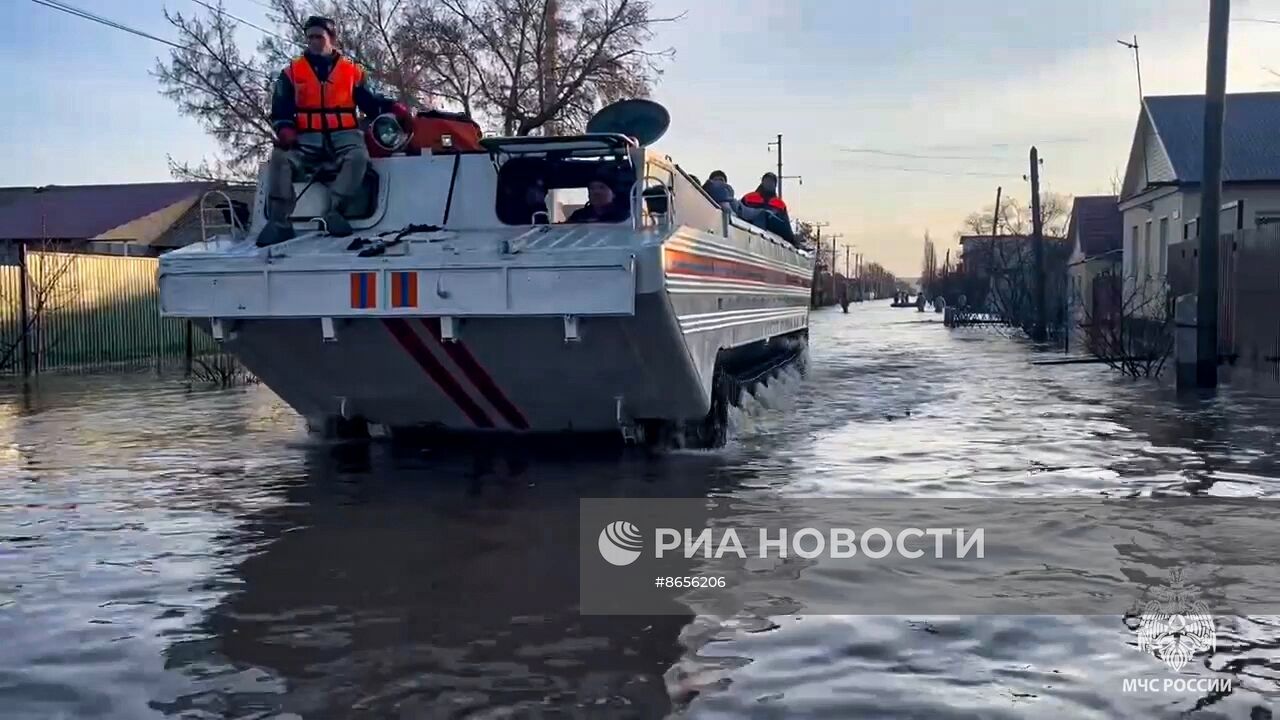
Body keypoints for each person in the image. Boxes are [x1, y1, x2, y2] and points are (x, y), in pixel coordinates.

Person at [255, 16, 414, 247]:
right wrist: (285, 128)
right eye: (310, 37)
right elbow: (280, 108)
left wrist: (393, 107)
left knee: (358, 157)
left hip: (344, 136)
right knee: (280, 158)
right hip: (306, 137)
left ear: (332, 38)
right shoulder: (292, 72)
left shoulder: (352, 72)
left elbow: (370, 102)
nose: (314, 42)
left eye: (319, 37)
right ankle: (279, 222)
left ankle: (334, 211)